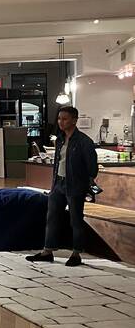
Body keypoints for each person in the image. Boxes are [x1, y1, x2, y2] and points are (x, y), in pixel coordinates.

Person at [27, 106, 98, 267]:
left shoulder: (84, 142)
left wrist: (85, 183)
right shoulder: (59, 139)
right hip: (58, 183)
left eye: (64, 119)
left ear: (74, 120)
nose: (61, 122)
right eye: (59, 118)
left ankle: (76, 253)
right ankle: (48, 250)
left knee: (75, 220)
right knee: (52, 217)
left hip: (75, 186)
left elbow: (92, 168)